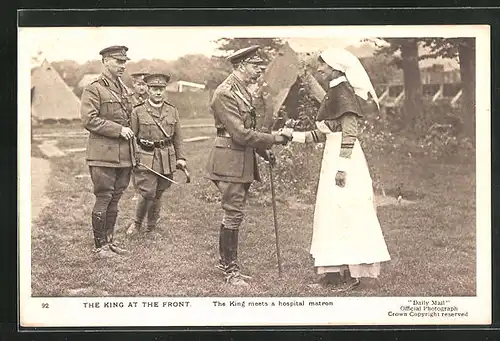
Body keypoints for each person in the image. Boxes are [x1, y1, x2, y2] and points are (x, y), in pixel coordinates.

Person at [280, 46, 391, 292]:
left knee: (349, 212)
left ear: (335, 69)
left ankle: (358, 275)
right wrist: (291, 136)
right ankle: (334, 273)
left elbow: (349, 133)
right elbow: (324, 133)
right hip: (333, 157)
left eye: (323, 66)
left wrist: (342, 168)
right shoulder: (334, 92)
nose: (320, 69)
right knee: (332, 212)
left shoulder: (343, 93)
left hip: (346, 161)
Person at [205, 45, 290, 286]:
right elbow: (240, 134)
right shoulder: (226, 93)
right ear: (242, 66)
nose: (260, 72)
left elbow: (248, 131)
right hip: (228, 159)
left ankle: (225, 263)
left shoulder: (242, 90)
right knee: (233, 213)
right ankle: (230, 271)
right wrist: (274, 139)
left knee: (235, 212)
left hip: (240, 158)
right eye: (256, 67)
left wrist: (264, 152)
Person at [80, 45, 135, 258]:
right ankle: (100, 246)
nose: (123, 66)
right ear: (105, 62)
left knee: (116, 197)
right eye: (118, 61)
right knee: (104, 197)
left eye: (124, 62)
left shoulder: (122, 88)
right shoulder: (93, 88)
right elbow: (89, 119)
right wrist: (118, 130)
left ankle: (110, 242)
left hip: (123, 155)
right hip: (102, 154)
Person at [127, 73, 187, 234]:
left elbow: (178, 137)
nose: (158, 92)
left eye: (161, 89)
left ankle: (151, 227)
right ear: (147, 89)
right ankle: (137, 223)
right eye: (154, 89)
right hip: (146, 156)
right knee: (147, 192)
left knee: (159, 192)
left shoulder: (172, 111)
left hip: (167, 156)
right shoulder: (138, 111)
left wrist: (180, 157)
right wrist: (133, 158)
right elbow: (132, 137)